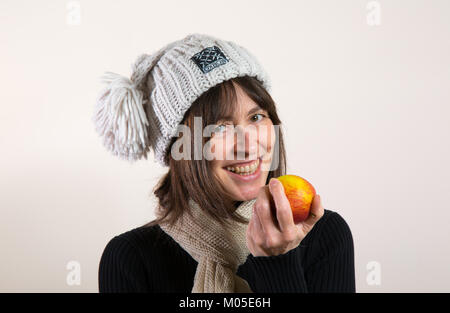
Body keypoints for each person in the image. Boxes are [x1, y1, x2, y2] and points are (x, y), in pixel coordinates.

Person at [94, 33, 355, 293]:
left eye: (256, 117)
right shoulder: (131, 260)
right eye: (220, 127)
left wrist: (278, 261)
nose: (248, 145)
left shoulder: (324, 237)